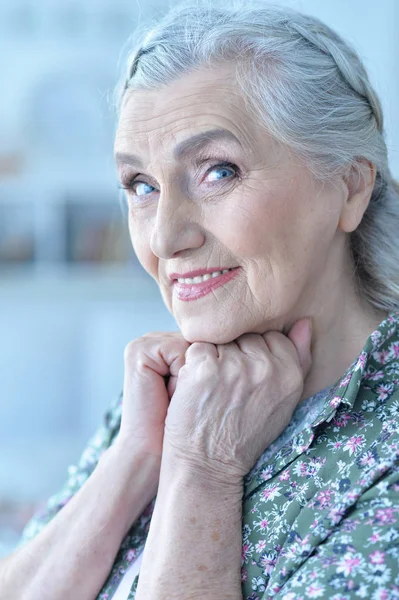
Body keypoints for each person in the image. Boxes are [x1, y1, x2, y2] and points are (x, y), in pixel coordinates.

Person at [2, 2, 399, 598]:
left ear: (349, 186)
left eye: (218, 172)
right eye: (142, 185)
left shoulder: (384, 457)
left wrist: (202, 466)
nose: (164, 236)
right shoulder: (170, 392)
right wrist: (134, 458)